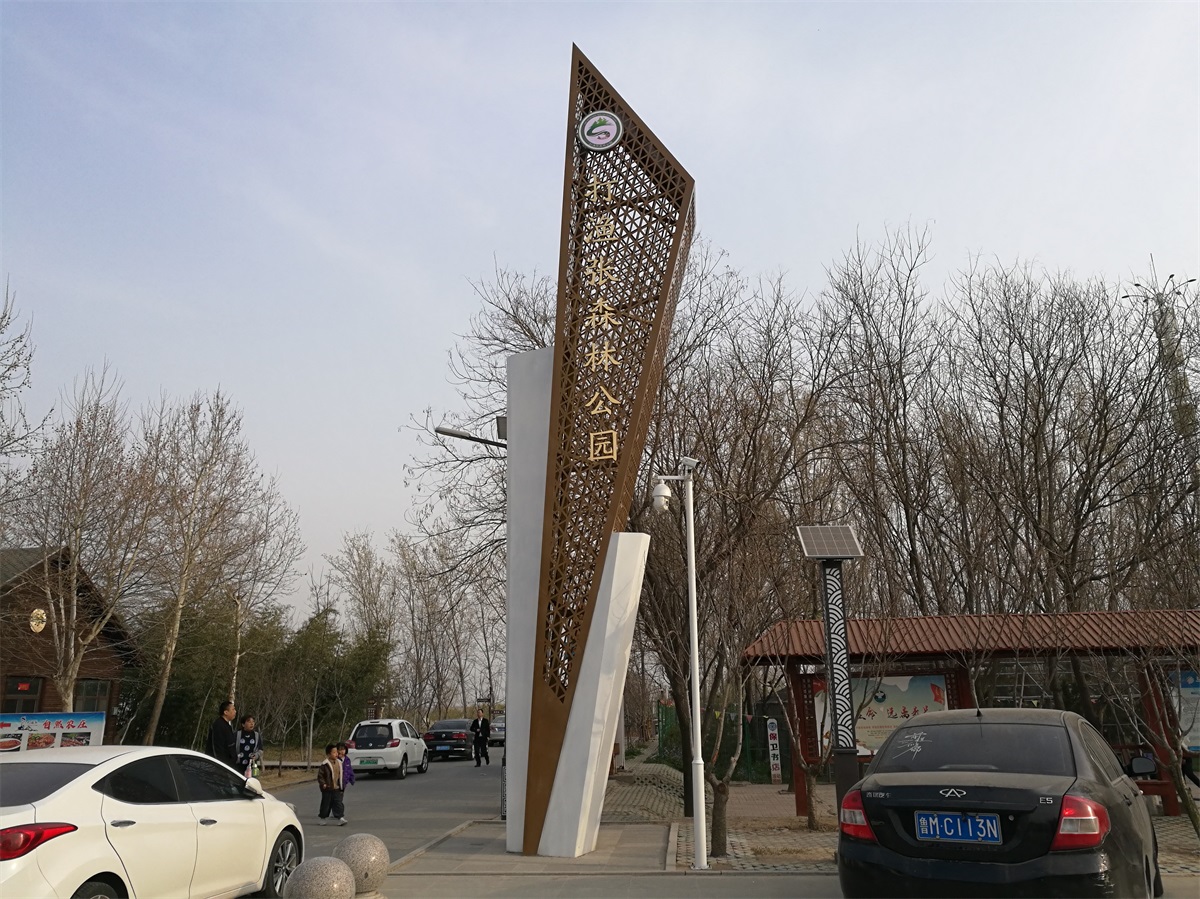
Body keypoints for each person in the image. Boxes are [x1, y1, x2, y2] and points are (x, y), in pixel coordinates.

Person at [317, 743, 346, 825]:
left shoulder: (339, 763)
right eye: (334, 752)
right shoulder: (325, 764)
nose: (336, 754)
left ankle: (340, 818)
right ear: (329, 754)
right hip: (328, 788)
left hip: (337, 787)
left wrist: (342, 785)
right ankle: (323, 818)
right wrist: (323, 784)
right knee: (326, 804)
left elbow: (341, 775)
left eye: (337, 752)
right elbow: (320, 776)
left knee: (338, 803)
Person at [204, 700, 238, 768]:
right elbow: (217, 749)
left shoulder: (227, 726)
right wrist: (221, 766)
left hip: (229, 765)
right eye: (233, 709)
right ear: (226, 712)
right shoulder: (218, 725)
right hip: (219, 766)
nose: (235, 711)